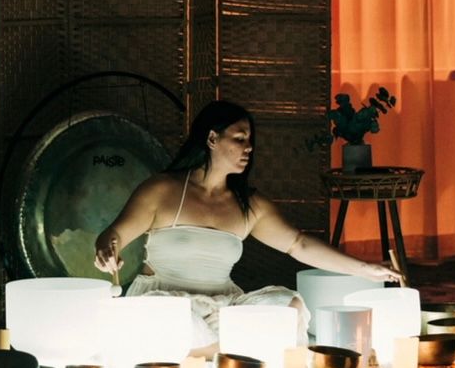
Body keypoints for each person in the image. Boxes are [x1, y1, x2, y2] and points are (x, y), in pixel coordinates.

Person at [93, 100, 403, 351]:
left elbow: (299, 244)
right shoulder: (162, 189)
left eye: (250, 141)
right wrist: (107, 250)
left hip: (221, 308)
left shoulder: (249, 205)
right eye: (239, 139)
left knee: (289, 305)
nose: (249, 147)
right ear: (212, 139)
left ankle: (215, 351)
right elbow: (114, 235)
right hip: (166, 305)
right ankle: (230, 350)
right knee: (174, 321)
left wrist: (366, 270)